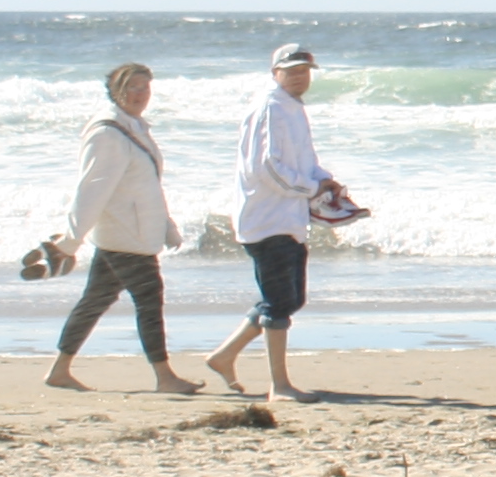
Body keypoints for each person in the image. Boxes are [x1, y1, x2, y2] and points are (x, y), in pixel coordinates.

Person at [41, 62, 202, 396]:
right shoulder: (106, 134)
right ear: (115, 91)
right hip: (125, 236)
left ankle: (59, 369)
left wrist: (167, 225)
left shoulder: (136, 128)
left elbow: (147, 186)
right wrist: (70, 241)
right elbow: (91, 191)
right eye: (132, 87)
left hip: (135, 233)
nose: (140, 94)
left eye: (145, 87)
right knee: (149, 299)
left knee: (95, 300)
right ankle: (164, 376)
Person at [207, 44, 335, 400]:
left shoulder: (292, 108)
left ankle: (224, 355)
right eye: (291, 70)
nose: (299, 76)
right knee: (280, 303)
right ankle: (279, 385)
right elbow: (267, 168)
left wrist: (324, 179)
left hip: (288, 218)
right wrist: (310, 188)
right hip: (267, 219)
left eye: (304, 70)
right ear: (275, 72)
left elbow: (303, 160)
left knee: (290, 300)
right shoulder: (270, 108)